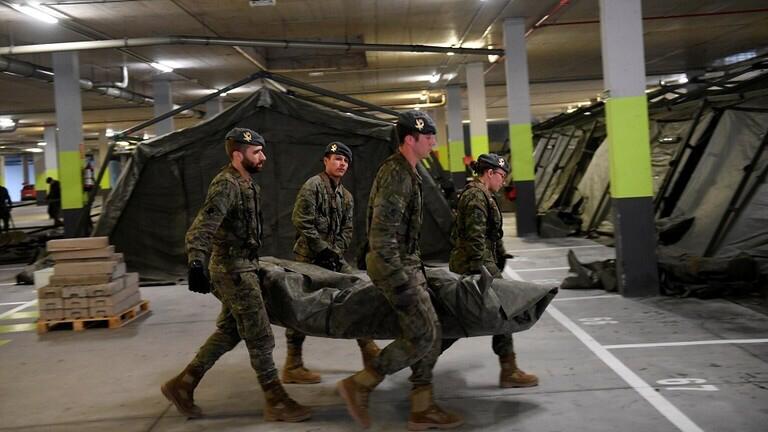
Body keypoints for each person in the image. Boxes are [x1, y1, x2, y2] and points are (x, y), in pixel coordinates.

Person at [160, 128, 311, 422]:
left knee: (230, 331)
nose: (263, 157)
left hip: (245, 266)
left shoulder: (248, 184)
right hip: (233, 271)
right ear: (238, 156)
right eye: (257, 152)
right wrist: (196, 263)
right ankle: (276, 400)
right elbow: (202, 226)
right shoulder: (226, 184)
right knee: (260, 336)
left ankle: (183, 385)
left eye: (262, 151)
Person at [337, 111, 463, 430]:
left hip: (406, 263)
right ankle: (361, 384)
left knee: (433, 330)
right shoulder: (397, 174)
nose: (433, 142)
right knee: (422, 333)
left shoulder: (409, 171)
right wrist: (400, 282)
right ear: (410, 139)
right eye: (428, 137)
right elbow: (382, 236)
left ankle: (422, 407)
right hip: (393, 265)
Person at [284, 141, 380, 384]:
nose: (342, 164)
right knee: (299, 307)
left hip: (333, 258)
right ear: (326, 161)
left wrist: (335, 252)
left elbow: (347, 230)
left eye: (346, 161)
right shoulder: (313, 186)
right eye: (337, 159)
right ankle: (293, 365)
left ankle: (368, 348)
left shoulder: (346, 197)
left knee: (358, 291)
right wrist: (322, 249)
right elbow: (301, 221)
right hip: (308, 257)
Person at [447, 153, 538, 388]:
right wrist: (483, 272)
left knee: (463, 321)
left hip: (480, 265)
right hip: (474, 267)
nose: (503, 181)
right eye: (501, 176)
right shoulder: (476, 197)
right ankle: (509, 371)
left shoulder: (484, 195)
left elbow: (491, 235)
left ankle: (509, 369)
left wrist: (500, 255)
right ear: (489, 173)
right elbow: (475, 238)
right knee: (497, 313)